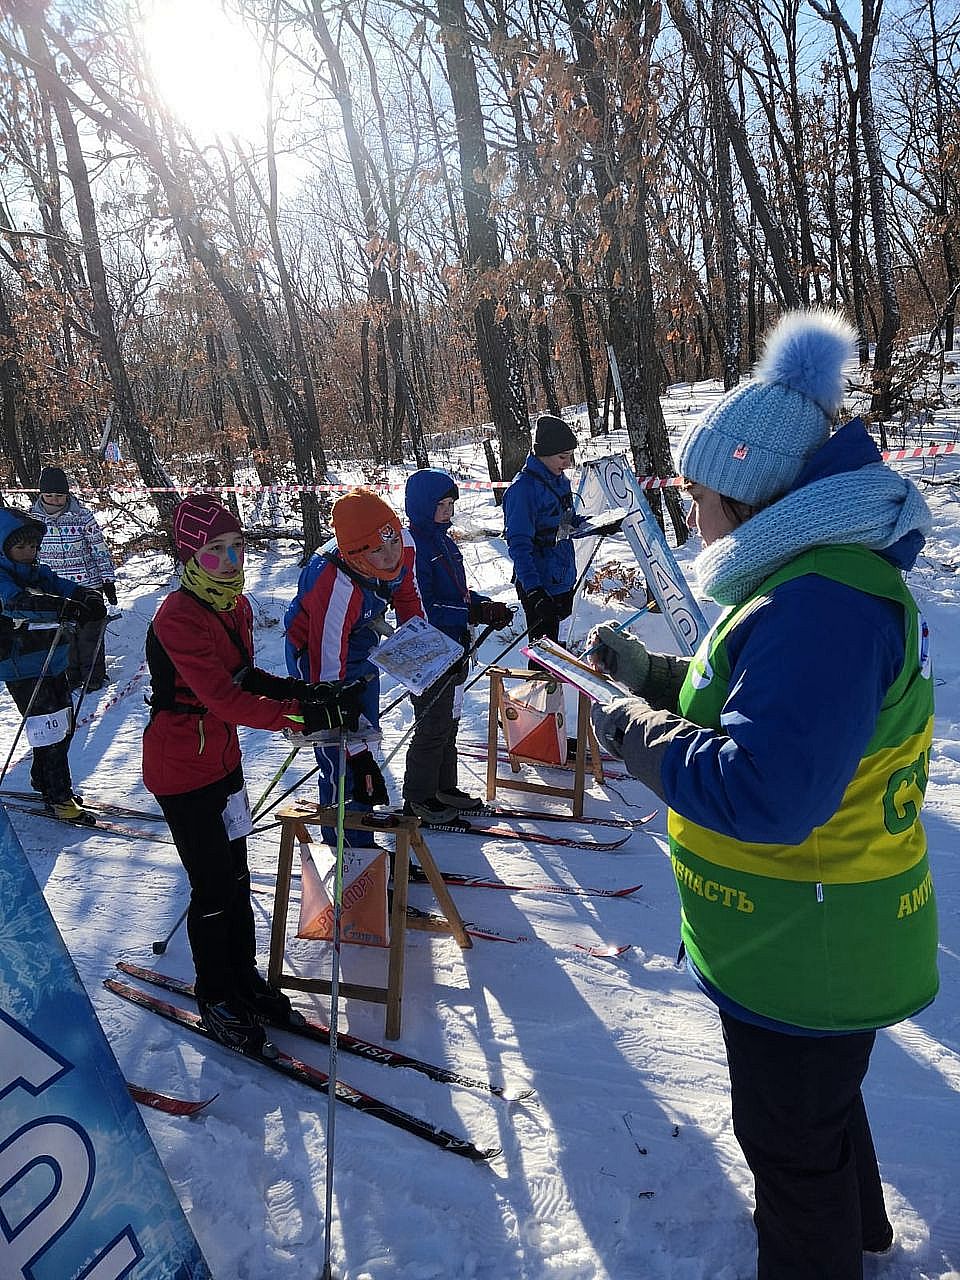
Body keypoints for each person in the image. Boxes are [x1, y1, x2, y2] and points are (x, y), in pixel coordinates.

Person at [587, 311, 939, 1280]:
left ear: (748, 495)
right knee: (815, 1117)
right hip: (802, 936)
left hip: (810, 945)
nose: (693, 519)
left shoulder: (820, 602)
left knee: (790, 1143)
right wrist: (654, 678)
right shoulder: (803, 584)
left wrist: (633, 732)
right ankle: (860, 1232)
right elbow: (758, 704)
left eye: (699, 498)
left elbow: (768, 787)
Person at [143, 495, 364, 1059]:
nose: (229, 560)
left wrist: (308, 693)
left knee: (238, 878)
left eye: (235, 547)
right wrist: (301, 717)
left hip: (223, 761)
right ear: (189, 557)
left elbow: (245, 676)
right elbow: (222, 697)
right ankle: (216, 994)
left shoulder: (234, 606)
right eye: (214, 551)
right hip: (181, 770)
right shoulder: (177, 616)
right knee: (212, 887)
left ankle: (244, 980)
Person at [283, 488, 424, 847]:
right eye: (377, 550)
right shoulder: (335, 584)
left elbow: (407, 597)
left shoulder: (403, 544)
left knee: (368, 738)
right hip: (314, 655)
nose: (390, 555)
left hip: (361, 640)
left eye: (392, 541)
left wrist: (427, 656)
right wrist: (355, 748)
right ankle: (345, 848)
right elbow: (327, 678)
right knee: (343, 756)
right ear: (355, 555)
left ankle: (363, 842)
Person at [401, 468, 513, 822]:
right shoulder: (413, 546)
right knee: (432, 724)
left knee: (450, 720)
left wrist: (484, 605)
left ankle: (443, 787)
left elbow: (458, 593)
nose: (448, 511)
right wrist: (474, 611)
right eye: (441, 505)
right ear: (423, 505)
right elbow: (426, 606)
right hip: (426, 649)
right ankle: (418, 797)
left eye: (451, 504)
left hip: (455, 646)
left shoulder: (445, 542)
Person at [0, 508, 106, 824]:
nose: (28, 552)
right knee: (50, 732)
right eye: (20, 547)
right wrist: (65, 608)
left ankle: (44, 780)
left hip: (52, 661)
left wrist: (88, 597)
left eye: (33, 546)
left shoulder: (38, 573)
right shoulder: (3, 579)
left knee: (64, 726)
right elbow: (19, 604)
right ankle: (60, 797)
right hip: (22, 666)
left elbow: (64, 586)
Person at [502, 415, 589, 652]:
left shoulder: (560, 481)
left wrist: (596, 525)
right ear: (543, 453)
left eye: (570, 456)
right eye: (562, 457)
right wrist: (534, 591)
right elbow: (518, 545)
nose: (568, 463)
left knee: (558, 652)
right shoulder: (523, 489)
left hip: (562, 578)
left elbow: (567, 520)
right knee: (543, 656)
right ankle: (539, 678)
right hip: (539, 584)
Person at [30, 466, 117, 691]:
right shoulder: (33, 520)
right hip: (55, 589)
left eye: (59, 495)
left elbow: (99, 549)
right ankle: (71, 675)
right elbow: (30, 555)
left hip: (87, 585)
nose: (54, 500)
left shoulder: (82, 516)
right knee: (65, 634)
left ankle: (93, 676)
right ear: (41, 495)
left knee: (89, 633)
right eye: (49, 495)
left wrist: (108, 580)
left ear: (67, 494)